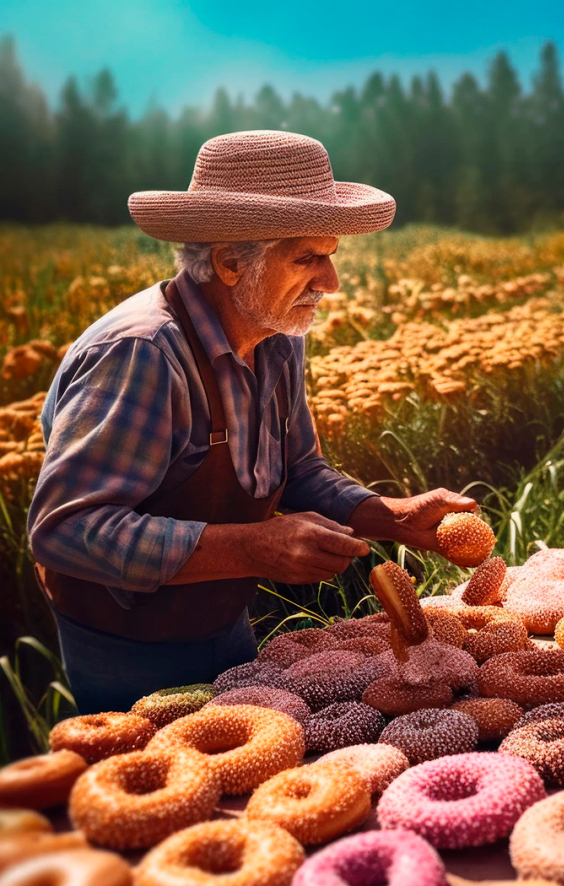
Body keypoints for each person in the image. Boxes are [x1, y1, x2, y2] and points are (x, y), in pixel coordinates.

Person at [27, 130, 476, 713]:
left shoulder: (275, 334)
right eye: (307, 259)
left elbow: (298, 469)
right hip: (126, 647)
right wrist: (251, 550)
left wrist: (391, 517)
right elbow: (65, 529)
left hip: (224, 619)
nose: (330, 283)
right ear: (231, 263)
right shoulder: (143, 353)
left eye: (331, 256)